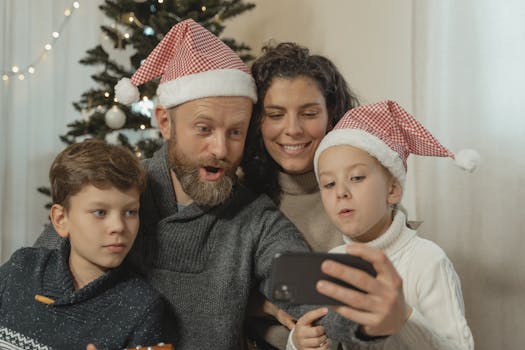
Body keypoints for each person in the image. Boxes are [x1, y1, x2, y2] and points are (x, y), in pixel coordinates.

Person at [34, 20, 385, 350]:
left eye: (235, 132)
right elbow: (31, 285)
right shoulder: (111, 193)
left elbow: (320, 297)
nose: (220, 150)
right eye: (203, 129)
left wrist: (372, 316)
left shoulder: (255, 220)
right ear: (164, 122)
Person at [288, 100, 477, 349]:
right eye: (329, 184)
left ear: (392, 190)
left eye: (356, 178)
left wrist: (402, 318)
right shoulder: (333, 264)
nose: (341, 192)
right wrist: (299, 342)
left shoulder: (428, 261)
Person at [241, 42, 360, 349]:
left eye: (308, 113)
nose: (292, 130)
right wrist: (268, 305)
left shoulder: (362, 193)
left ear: (331, 114)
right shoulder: (242, 198)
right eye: (276, 114)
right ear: (257, 121)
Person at [0, 139, 166, 349]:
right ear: (61, 220)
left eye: (130, 212)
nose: (119, 226)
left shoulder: (141, 307)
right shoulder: (22, 267)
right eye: (100, 212)